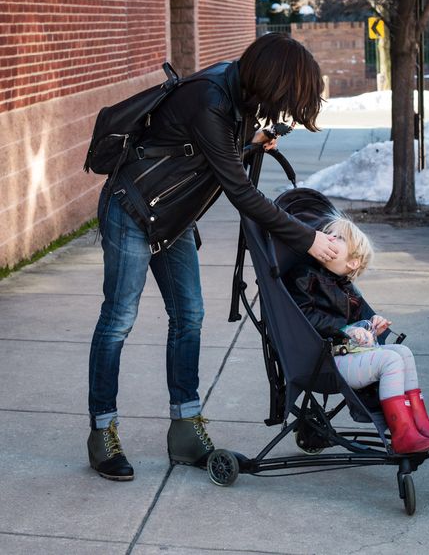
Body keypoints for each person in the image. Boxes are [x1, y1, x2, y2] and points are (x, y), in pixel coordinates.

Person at [87, 33, 340, 481]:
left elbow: (204, 149)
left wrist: (252, 139)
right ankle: (102, 432)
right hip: (131, 209)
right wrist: (309, 239)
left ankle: (186, 429)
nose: (282, 106)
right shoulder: (211, 98)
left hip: (171, 218)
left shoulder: (236, 91)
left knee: (189, 315)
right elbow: (239, 190)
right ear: (271, 78)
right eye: (286, 95)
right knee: (119, 319)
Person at [283, 214, 429, 455]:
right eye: (328, 233)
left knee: (402, 352)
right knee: (390, 359)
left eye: (339, 237)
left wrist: (371, 325)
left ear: (353, 263)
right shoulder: (304, 274)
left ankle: (421, 426)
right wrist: (346, 330)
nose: (329, 238)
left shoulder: (345, 287)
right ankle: (403, 433)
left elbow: (357, 325)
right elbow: (302, 317)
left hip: (346, 356)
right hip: (324, 362)